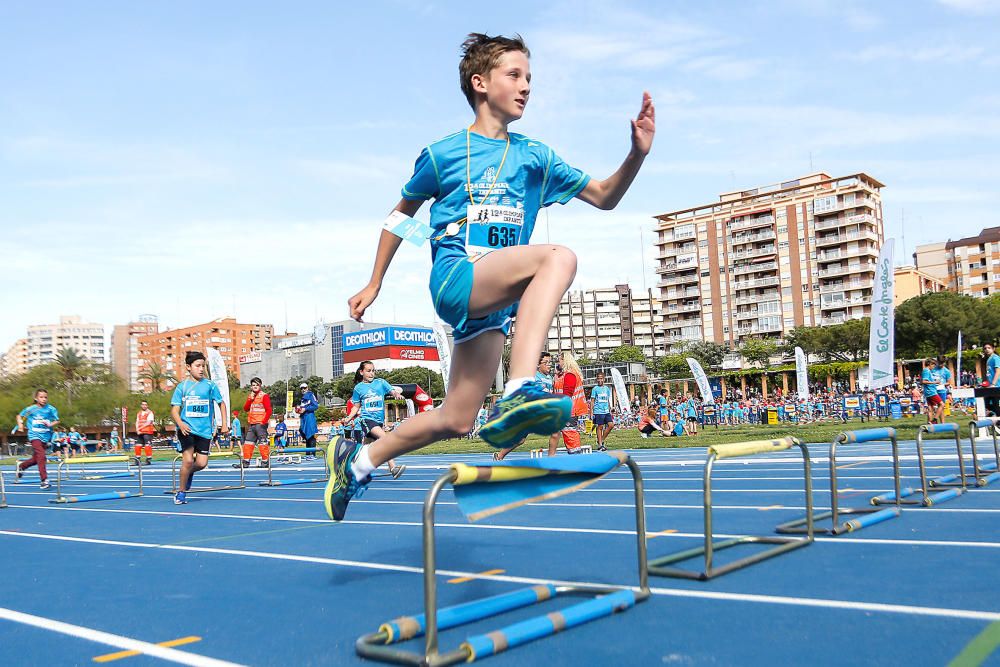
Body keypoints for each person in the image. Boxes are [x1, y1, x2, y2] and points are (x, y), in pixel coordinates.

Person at [326, 33, 654, 521]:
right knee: (558, 257)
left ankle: (357, 463)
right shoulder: (442, 154)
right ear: (480, 83)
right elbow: (400, 217)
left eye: (530, 79)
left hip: (493, 304)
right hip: (456, 278)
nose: (526, 87)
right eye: (514, 76)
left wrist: (637, 154)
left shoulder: (536, 158)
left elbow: (605, 196)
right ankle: (521, 384)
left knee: (457, 418)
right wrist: (374, 283)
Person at [170, 351, 229, 505]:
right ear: (189, 367)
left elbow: (221, 403)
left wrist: (224, 424)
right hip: (187, 429)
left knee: (201, 464)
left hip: (205, 431)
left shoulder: (210, 385)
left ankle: (188, 473)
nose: (201, 369)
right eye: (198, 366)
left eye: (203, 366)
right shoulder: (182, 387)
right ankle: (181, 493)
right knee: (188, 461)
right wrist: (180, 424)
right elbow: (174, 410)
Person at [343, 361, 406, 478]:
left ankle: (353, 468)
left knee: (366, 449)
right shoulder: (358, 388)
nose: (371, 373)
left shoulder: (380, 383)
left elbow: (392, 391)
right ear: (361, 372)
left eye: (373, 371)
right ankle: (393, 467)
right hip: (367, 420)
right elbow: (356, 407)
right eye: (368, 371)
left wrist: (396, 394)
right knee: (385, 439)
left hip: (379, 421)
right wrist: (349, 417)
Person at [493, 351, 556, 461]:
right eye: (546, 362)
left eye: (550, 362)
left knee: (522, 439)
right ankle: (551, 460)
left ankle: (499, 456)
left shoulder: (550, 378)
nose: (549, 365)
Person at [14, 388, 60, 489]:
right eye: (41, 397)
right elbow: (19, 416)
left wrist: (50, 424)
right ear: (36, 398)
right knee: (42, 456)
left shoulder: (51, 409)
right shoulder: (31, 409)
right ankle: (44, 480)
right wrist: (20, 424)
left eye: (45, 397)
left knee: (36, 459)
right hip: (34, 435)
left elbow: (57, 420)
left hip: (46, 436)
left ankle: (22, 466)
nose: (44, 399)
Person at [550, 352, 588, 456]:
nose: (558, 363)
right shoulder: (565, 374)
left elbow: (567, 394)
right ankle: (574, 455)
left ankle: (576, 457)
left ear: (565, 361)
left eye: (559, 360)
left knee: (570, 433)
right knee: (567, 433)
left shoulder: (570, 375)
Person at [238, 377, 273, 468]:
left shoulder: (264, 396)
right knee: (248, 443)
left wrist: (263, 422)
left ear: (260, 385)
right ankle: (246, 462)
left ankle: (265, 462)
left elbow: (269, 410)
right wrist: (250, 399)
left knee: (262, 443)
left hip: (260, 424)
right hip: (252, 423)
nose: (255, 387)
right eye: (253, 385)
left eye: (257, 385)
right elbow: (246, 408)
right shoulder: (251, 396)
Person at [590, 371, 613, 451]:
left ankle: (601, 440)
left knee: (611, 425)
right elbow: (592, 401)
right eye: (598, 379)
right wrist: (591, 412)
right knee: (600, 427)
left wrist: (610, 409)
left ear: (604, 379)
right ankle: (600, 445)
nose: (600, 380)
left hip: (606, 411)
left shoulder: (607, 389)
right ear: (596, 379)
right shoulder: (595, 389)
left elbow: (608, 400)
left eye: (601, 379)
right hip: (598, 411)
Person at [296, 382, 318, 459]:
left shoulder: (311, 395)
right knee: (304, 433)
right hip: (303, 417)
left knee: (311, 434)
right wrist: (298, 410)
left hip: (309, 416)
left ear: (307, 388)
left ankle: (312, 454)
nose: (303, 389)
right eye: (301, 388)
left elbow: (315, 406)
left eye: (304, 388)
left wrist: (305, 409)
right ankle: (308, 453)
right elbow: (302, 408)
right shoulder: (303, 398)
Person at [921, 358, 943, 425]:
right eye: (933, 365)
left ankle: (930, 424)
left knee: (930, 409)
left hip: (928, 392)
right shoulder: (926, 371)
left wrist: (935, 383)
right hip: (931, 392)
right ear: (930, 364)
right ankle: (934, 420)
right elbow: (924, 381)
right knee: (942, 404)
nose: (934, 367)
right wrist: (934, 382)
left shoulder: (927, 371)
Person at [135, 399, 156, 466]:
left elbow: (149, 422)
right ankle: (137, 459)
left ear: (147, 406)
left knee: (147, 445)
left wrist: (140, 428)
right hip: (140, 432)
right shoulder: (139, 413)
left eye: (145, 405)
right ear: (141, 405)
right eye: (143, 404)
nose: (144, 406)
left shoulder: (150, 413)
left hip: (147, 431)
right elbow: (137, 422)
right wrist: (137, 429)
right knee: (138, 445)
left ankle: (148, 459)